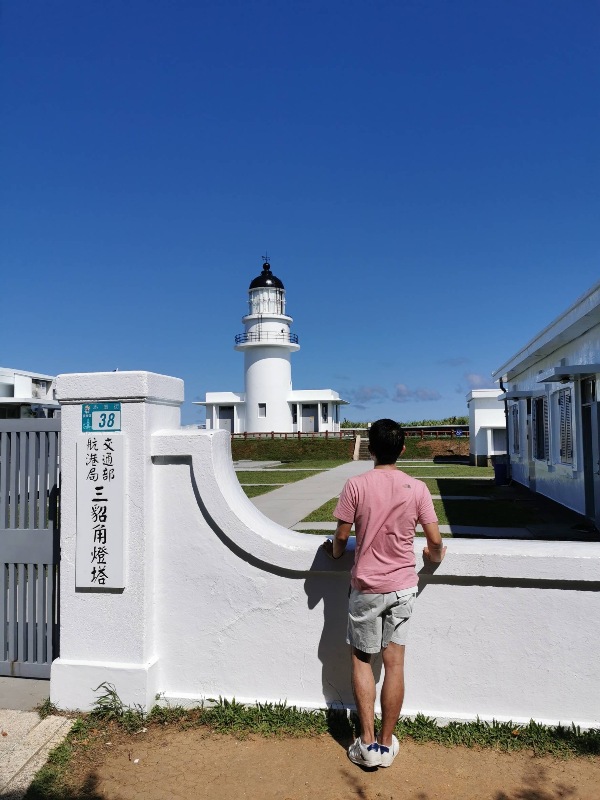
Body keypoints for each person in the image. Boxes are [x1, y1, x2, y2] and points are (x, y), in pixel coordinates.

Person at [322, 418, 446, 768]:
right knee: (395, 665)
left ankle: (366, 742)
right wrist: (432, 558)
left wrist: (333, 552)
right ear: (402, 449)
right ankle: (386, 744)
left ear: (371, 450)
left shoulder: (356, 485)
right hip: (404, 587)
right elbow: (435, 542)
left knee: (362, 660)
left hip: (366, 587)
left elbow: (342, 539)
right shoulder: (417, 488)